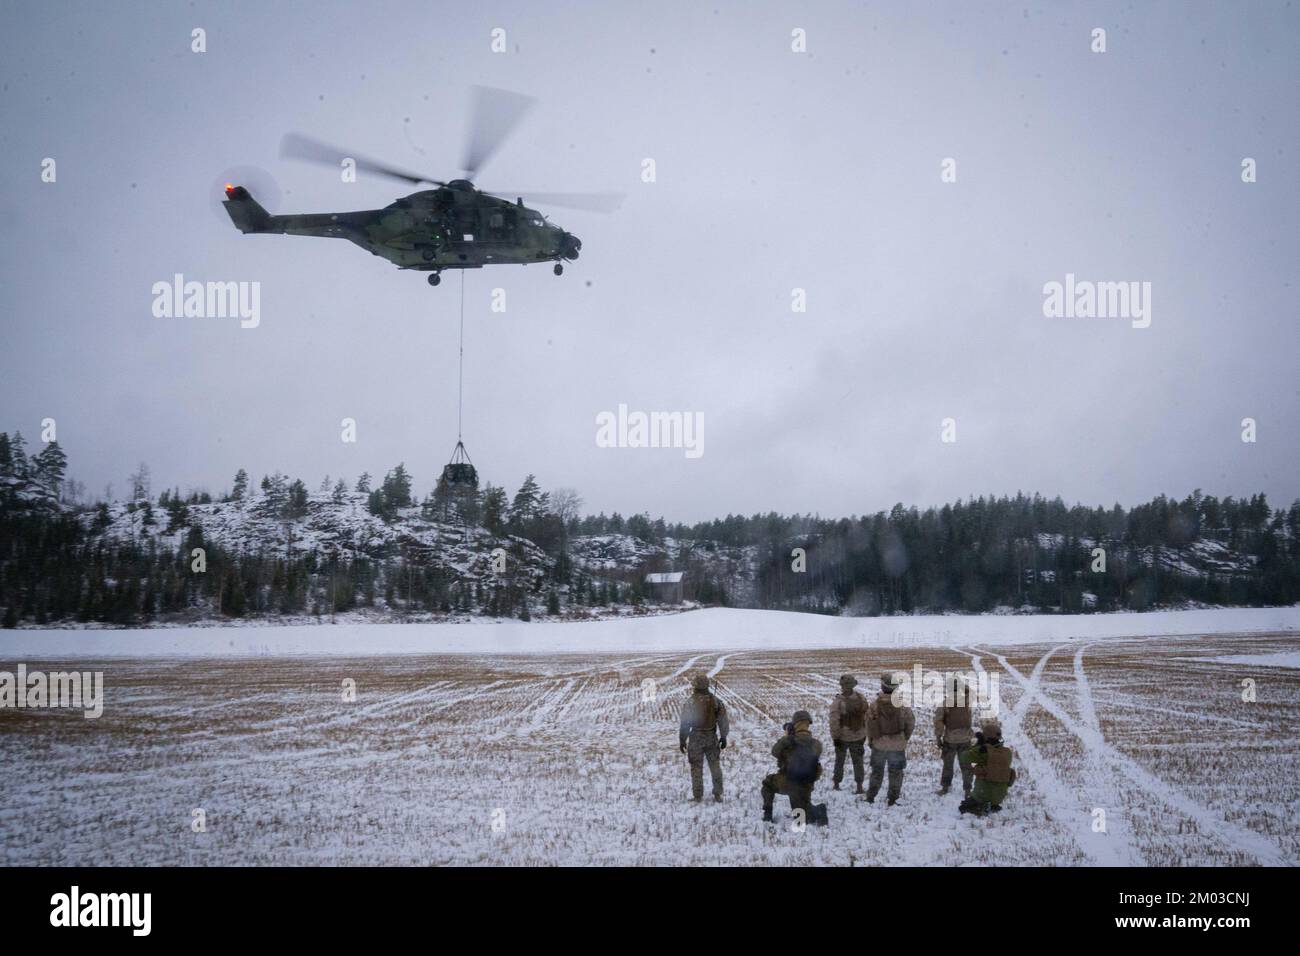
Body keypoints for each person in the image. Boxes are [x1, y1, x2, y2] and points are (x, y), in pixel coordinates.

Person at [761, 710, 828, 826]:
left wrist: (786, 737)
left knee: (767, 784)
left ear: (795, 724)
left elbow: (774, 752)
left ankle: (767, 814)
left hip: (789, 782)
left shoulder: (788, 741)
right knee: (803, 813)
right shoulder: (816, 744)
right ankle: (818, 810)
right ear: (808, 724)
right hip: (807, 785)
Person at [865, 672, 915, 806]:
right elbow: (910, 723)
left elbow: (869, 725)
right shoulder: (903, 705)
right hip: (897, 745)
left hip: (879, 745)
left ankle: (870, 797)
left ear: (882, 687)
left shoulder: (874, 705)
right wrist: (904, 738)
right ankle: (892, 799)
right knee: (896, 773)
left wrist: (871, 741)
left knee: (877, 772)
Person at [679, 673, 729, 802]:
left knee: (696, 767)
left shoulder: (690, 702)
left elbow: (685, 724)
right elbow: (723, 721)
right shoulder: (716, 701)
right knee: (715, 766)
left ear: (695, 686)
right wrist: (723, 737)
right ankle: (718, 794)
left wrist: (682, 740)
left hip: (696, 738)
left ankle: (697, 796)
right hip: (711, 737)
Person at [958, 718, 1017, 816]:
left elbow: (963, 757)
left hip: (982, 794)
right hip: (1000, 797)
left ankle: (983, 807)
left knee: (963, 807)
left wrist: (977, 745)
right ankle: (993, 805)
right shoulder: (1008, 752)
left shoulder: (983, 751)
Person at [933, 674, 974, 796]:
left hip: (950, 740)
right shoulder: (967, 699)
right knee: (966, 766)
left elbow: (938, 722)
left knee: (948, 765)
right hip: (966, 738)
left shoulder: (944, 703)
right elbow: (969, 690)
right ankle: (968, 790)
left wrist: (938, 737)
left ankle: (945, 787)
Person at [829, 674, 868, 793]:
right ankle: (859, 787)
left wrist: (835, 737)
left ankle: (836, 784)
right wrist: (864, 732)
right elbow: (867, 716)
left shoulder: (838, 702)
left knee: (839, 761)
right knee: (858, 762)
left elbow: (834, 721)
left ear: (842, 686)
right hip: (859, 735)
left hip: (843, 737)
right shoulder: (861, 698)